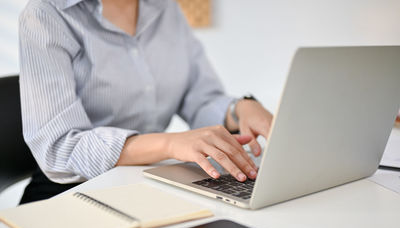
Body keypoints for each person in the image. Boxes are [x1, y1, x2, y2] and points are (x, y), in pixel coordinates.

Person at [19, 0, 273, 203]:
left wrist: (240, 108)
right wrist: (171, 143)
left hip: (144, 182)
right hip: (70, 194)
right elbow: (60, 147)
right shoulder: (45, 14)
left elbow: (200, 98)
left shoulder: (166, 8)